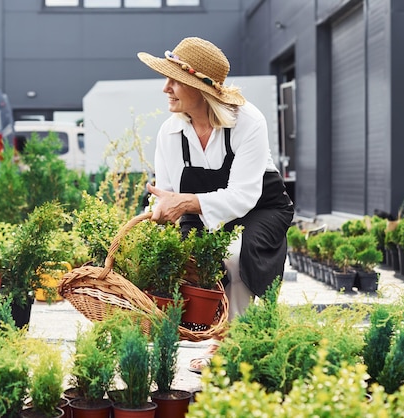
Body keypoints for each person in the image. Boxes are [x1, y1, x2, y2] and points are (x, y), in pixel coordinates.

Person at [137, 37, 294, 372]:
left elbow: (243, 195)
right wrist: (159, 208)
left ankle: (233, 346)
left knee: (236, 256)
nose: (166, 88)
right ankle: (227, 336)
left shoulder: (247, 120)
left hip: (261, 208)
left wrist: (185, 202)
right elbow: (166, 192)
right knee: (199, 264)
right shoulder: (170, 133)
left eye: (175, 80)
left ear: (200, 88)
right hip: (199, 214)